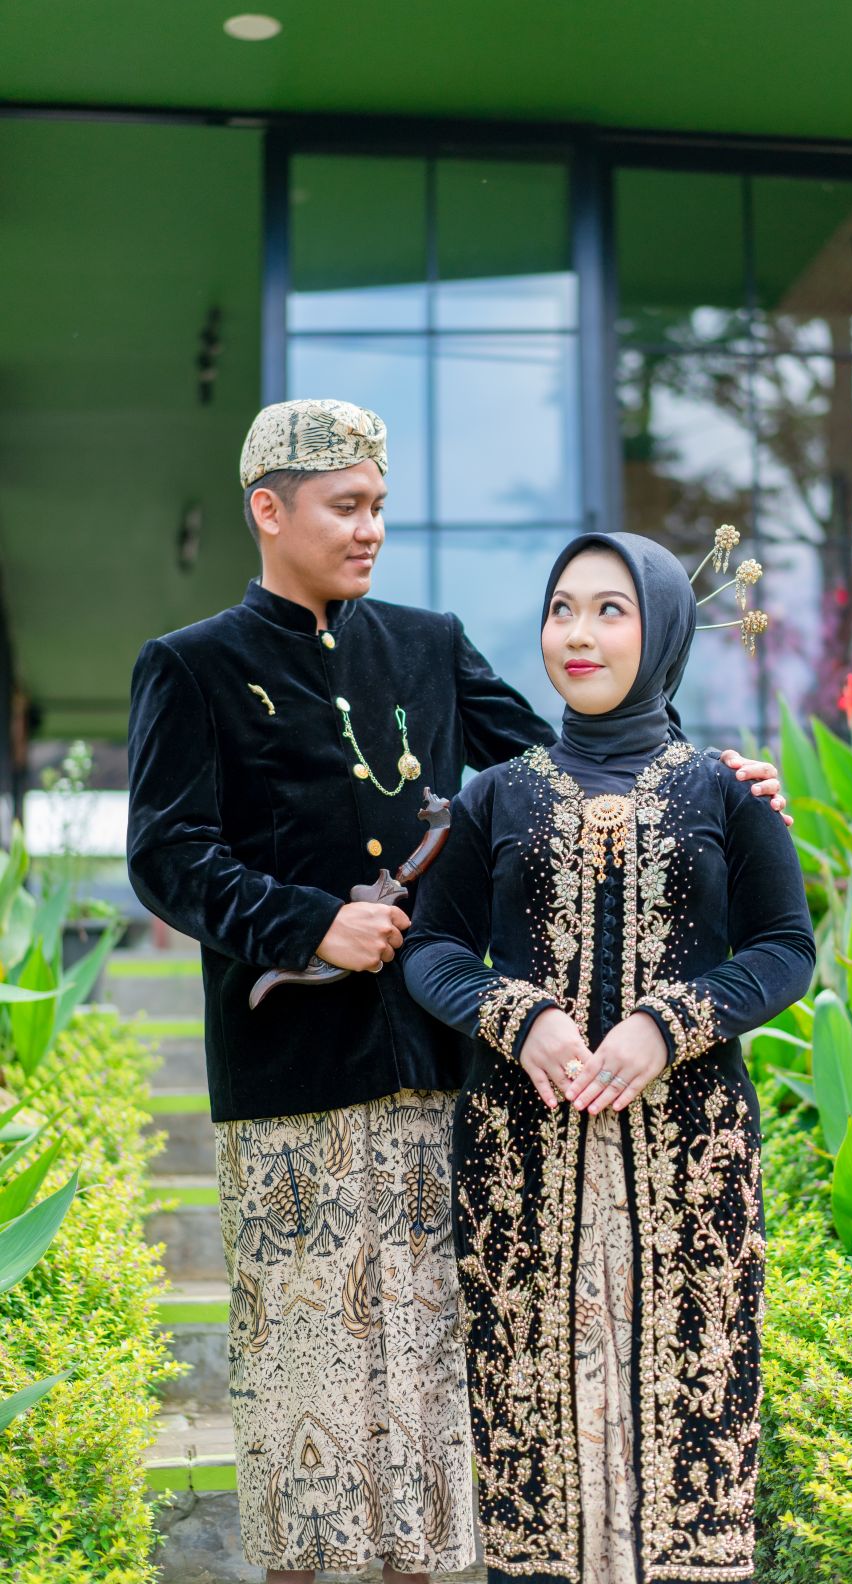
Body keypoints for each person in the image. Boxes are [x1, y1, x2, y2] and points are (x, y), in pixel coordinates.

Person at [126, 399, 789, 1584]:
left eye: (380, 506)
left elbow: (553, 756)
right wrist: (306, 921)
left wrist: (703, 779)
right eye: (346, 506)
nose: (370, 528)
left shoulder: (427, 644)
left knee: (444, 1396)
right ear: (268, 509)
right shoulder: (191, 665)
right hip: (293, 1081)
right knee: (310, 1396)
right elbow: (168, 855)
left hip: (442, 1078)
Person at [402, 532, 816, 1584]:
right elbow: (432, 949)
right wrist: (517, 1014)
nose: (577, 633)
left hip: (691, 1162)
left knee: (694, 1416)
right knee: (524, 1439)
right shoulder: (495, 794)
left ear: (663, 629)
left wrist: (668, 1024)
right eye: (561, 609)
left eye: (609, 610)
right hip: (519, 1162)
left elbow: (783, 949)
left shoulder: (726, 792)